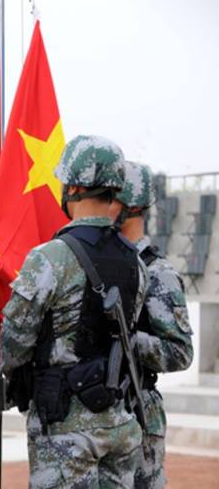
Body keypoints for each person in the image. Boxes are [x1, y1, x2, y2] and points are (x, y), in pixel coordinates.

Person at [1, 135, 148, 488]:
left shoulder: (49, 257)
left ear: (74, 187)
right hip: (119, 421)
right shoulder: (136, 262)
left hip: (65, 427)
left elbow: (13, 346)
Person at [108, 161, 194, 489]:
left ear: (132, 206)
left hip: (139, 412)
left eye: (110, 198)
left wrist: (129, 341)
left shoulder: (158, 273)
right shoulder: (97, 265)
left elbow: (180, 352)